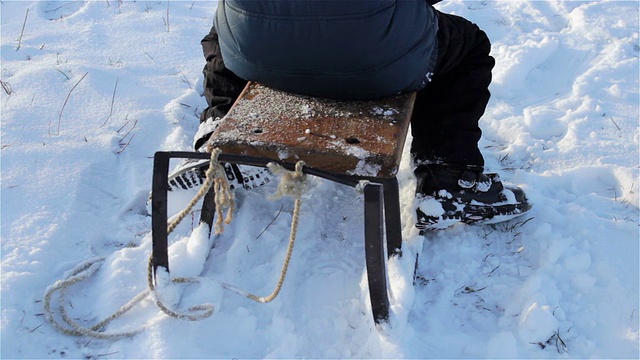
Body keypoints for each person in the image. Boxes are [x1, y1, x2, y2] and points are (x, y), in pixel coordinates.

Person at [171, 0, 531, 230]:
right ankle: (449, 181)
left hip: (257, 53)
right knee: (467, 47)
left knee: (224, 31)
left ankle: (217, 136)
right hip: (376, 60)